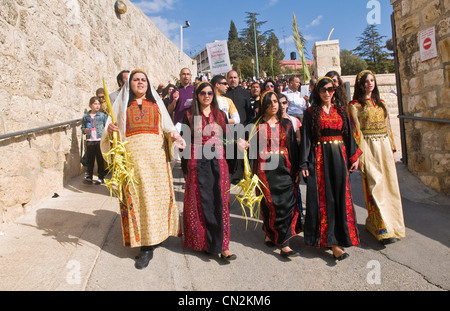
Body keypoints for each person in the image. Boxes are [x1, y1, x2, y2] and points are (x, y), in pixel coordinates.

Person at [101, 69, 185, 269]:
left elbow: (168, 126)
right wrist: (109, 130)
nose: (140, 83)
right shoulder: (121, 106)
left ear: (148, 84)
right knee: (140, 199)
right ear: (129, 84)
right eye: (136, 80)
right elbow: (109, 130)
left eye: (143, 80)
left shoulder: (156, 104)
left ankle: (158, 235)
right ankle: (145, 246)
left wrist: (176, 136)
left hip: (156, 161)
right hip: (133, 163)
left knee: (157, 198)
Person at [300, 76, 362, 261]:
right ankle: (332, 243)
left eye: (331, 89)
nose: (328, 92)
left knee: (341, 196)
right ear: (317, 92)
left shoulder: (341, 110)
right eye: (324, 89)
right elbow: (306, 139)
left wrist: (354, 156)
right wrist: (304, 163)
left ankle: (342, 236)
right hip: (320, 159)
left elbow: (348, 135)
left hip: (340, 158)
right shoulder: (311, 112)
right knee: (325, 199)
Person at [180, 81, 237, 261]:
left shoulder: (219, 115)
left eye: (210, 93)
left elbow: (228, 137)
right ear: (197, 95)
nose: (206, 96)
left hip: (218, 162)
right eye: (203, 93)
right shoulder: (189, 115)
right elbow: (185, 141)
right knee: (200, 202)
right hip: (197, 163)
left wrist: (239, 143)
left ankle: (223, 246)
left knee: (220, 201)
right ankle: (204, 242)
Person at [349, 70, 406, 245]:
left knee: (389, 187)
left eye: (372, 80)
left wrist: (393, 149)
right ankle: (379, 225)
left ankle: (392, 224)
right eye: (366, 81)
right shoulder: (355, 105)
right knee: (375, 186)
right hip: (369, 148)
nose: (370, 83)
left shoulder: (381, 103)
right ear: (360, 85)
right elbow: (355, 131)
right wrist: (357, 156)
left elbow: (388, 126)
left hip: (385, 148)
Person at [243, 90, 302, 258]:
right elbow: (249, 148)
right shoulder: (255, 125)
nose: (274, 105)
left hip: (286, 168)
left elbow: (293, 149)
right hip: (265, 171)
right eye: (270, 103)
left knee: (286, 204)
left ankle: (285, 244)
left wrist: (297, 170)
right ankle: (269, 232)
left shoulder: (287, 124)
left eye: (276, 101)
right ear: (264, 106)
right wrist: (244, 147)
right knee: (270, 204)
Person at [81, 96, 107, 185]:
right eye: (95, 104)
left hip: (99, 139)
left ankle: (100, 177)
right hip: (90, 140)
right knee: (90, 159)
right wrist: (85, 131)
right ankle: (89, 177)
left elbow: (106, 126)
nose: (97, 106)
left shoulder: (102, 116)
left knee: (100, 159)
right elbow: (83, 128)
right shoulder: (86, 116)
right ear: (90, 105)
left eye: (98, 104)